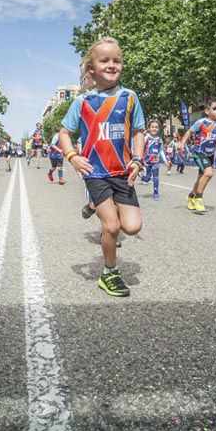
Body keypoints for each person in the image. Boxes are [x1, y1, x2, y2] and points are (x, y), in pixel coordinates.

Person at [59, 36, 145, 298]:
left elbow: (139, 131)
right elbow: (64, 133)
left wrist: (138, 159)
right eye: (104, 60)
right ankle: (109, 272)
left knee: (132, 227)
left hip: (122, 173)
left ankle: (98, 206)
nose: (112, 64)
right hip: (95, 173)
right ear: (91, 69)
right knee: (111, 226)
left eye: (117, 60)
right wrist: (73, 156)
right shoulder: (82, 102)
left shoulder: (130, 97)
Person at [178, 100, 216, 214]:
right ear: (207, 111)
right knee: (209, 173)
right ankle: (198, 198)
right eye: (214, 108)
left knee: (201, 177)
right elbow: (189, 131)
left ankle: (191, 196)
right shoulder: (201, 122)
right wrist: (182, 143)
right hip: (199, 152)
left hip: (210, 153)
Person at [140, 119, 166, 200]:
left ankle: (156, 193)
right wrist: (140, 159)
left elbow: (161, 151)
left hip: (155, 161)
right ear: (149, 128)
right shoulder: (146, 138)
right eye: (152, 127)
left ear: (159, 129)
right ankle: (144, 177)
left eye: (156, 127)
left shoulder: (160, 140)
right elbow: (141, 148)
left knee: (156, 176)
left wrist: (166, 161)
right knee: (146, 179)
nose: (154, 129)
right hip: (146, 162)